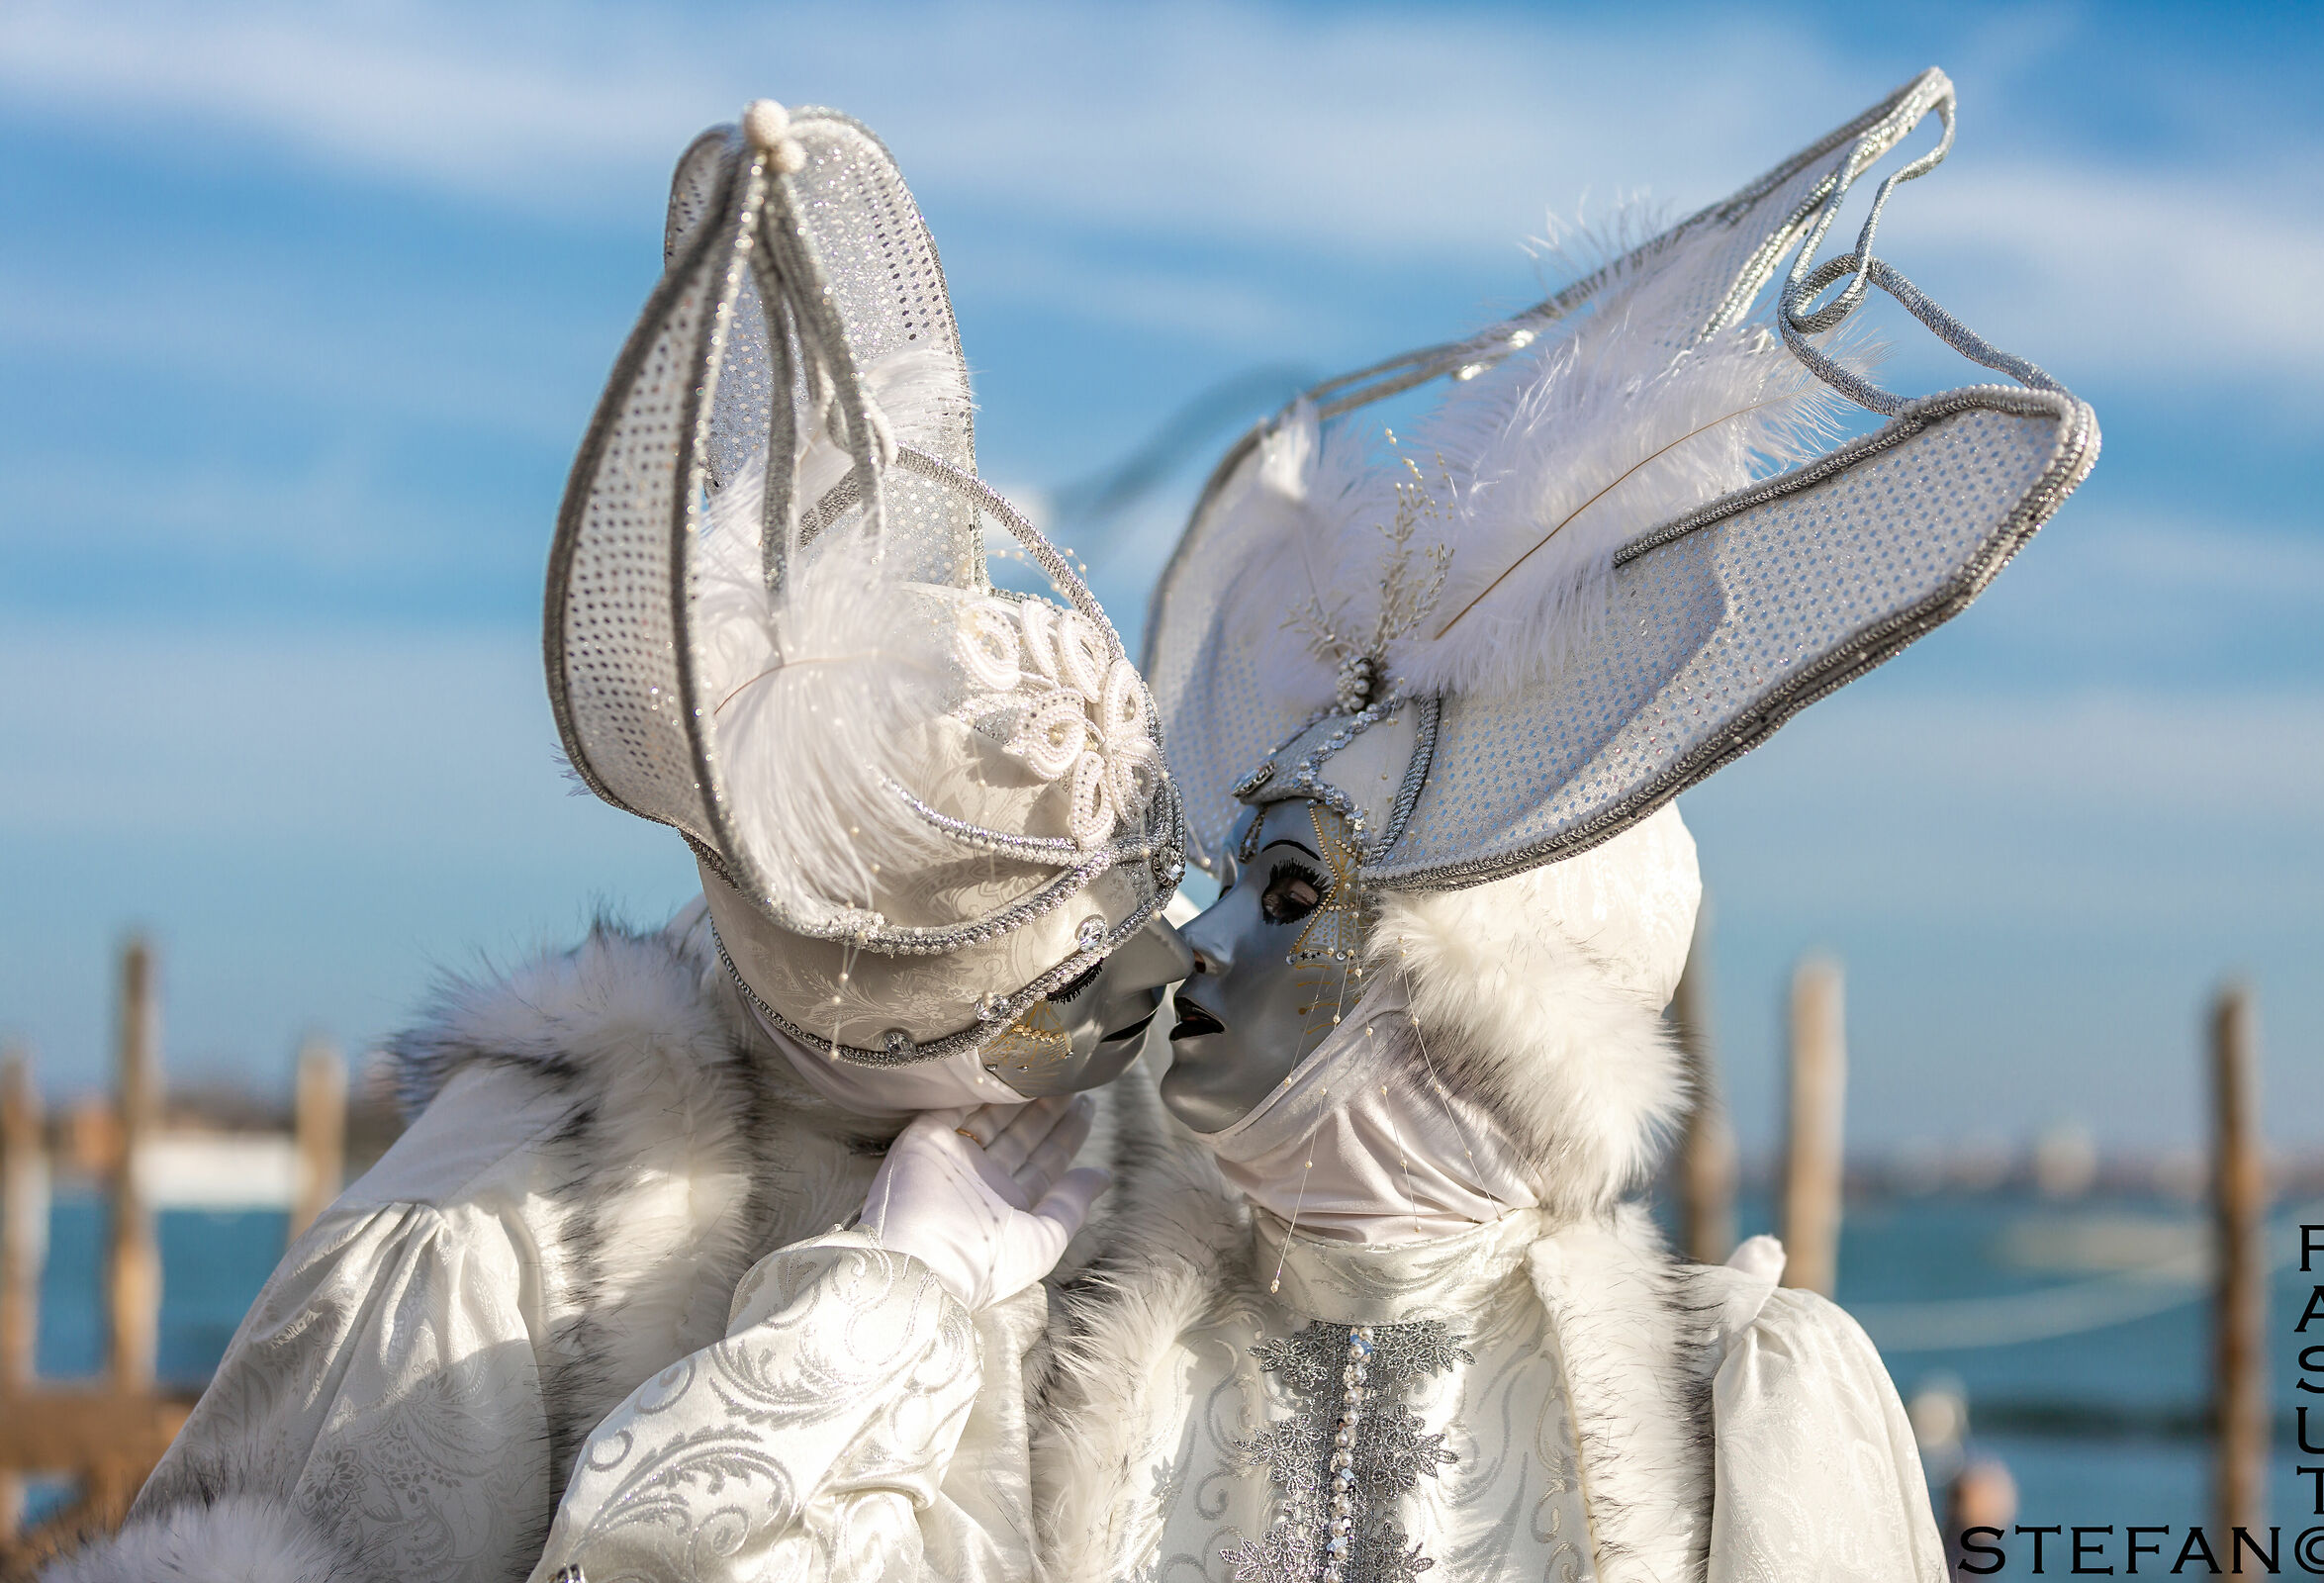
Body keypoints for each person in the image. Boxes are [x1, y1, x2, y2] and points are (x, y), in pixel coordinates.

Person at [51, 103, 1188, 1583]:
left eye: (1144, 936)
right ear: (860, 971)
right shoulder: (475, 1245)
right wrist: (870, 1321)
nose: (1144, 1012)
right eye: (1060, 1005)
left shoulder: (1111, 1153)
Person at [1033, 65, 2096, 1583]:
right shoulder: (1075, 1358)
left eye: (1280, 893)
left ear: (1468, 1015)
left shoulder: (1734, 1406)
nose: (1191, 941)